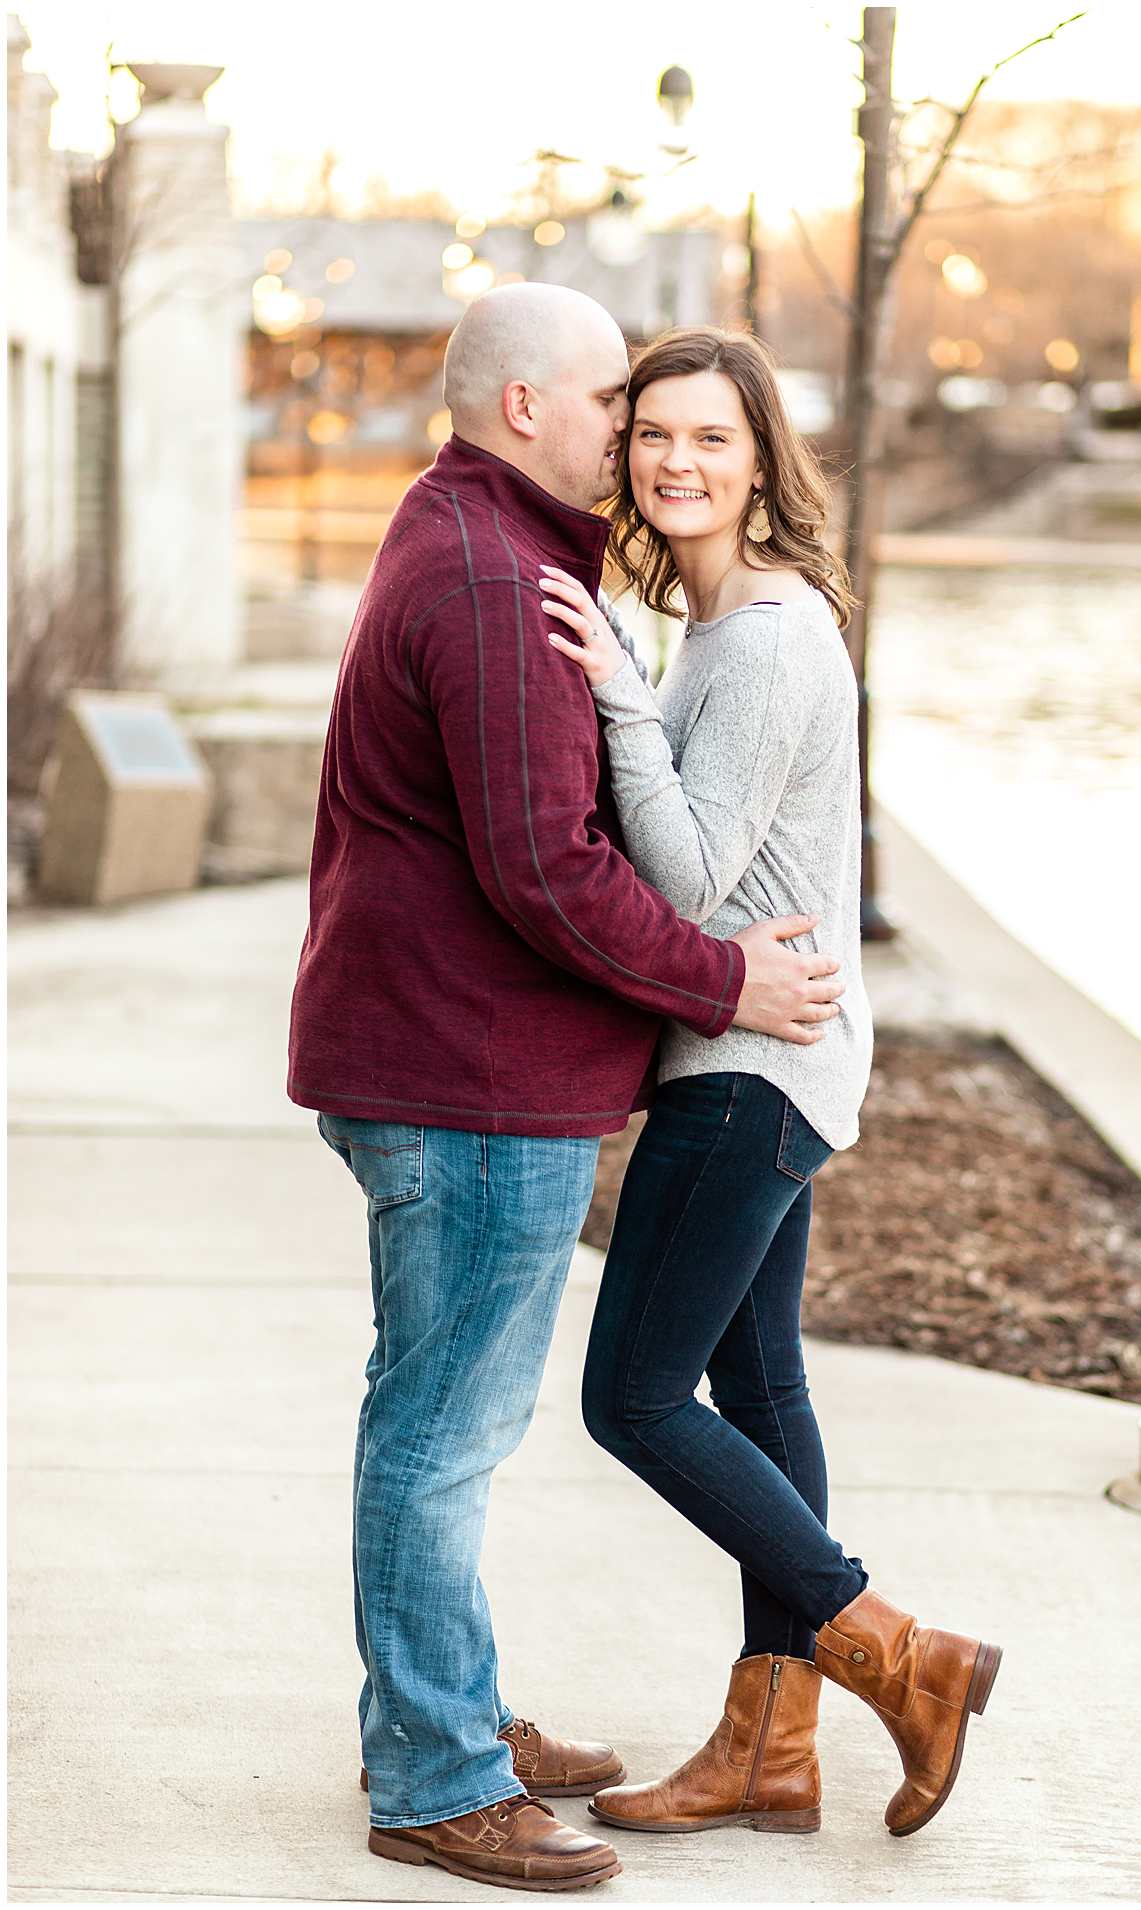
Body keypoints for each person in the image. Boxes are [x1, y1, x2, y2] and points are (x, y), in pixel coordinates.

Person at [286, 283, 847, 1893]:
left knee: (439, 1416)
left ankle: (447, 1710)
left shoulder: (492, 548)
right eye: (616, 399)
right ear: (526, 403)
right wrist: (730, 979)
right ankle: (437, 1773)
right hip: (461, 1079)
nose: (632, 427)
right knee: (440, 1433)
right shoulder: (491, 578)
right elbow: (550, 868)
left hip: (451, 1063)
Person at [539, 325, 1002, 1845]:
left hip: (748, 1068)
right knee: (758, 1387)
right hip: (773, 1060)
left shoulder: (763, 638)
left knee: (632, 1394)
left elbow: (692, 877)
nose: (677, 461)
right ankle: (773, 1746)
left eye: (710, 439)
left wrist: (612, 694)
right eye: (653, 435)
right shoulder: (731, 625)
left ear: (760, 461)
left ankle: (899, 1654)